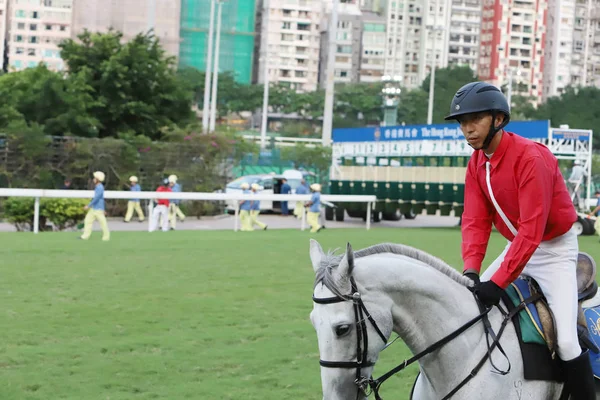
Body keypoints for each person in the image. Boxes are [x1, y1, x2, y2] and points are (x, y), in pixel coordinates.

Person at [444, 81, 595, 398]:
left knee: (567, 341)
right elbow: (475, 220)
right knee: (469, 311)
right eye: (462, 122)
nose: (467, 129)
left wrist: (497, 282)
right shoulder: (476, 163)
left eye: (475, 120)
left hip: (555, 252)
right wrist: (471, 270)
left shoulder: (531, 157)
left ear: (498, 119)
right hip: (519, 247)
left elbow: (532, 230)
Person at [80, 171, 110, 241]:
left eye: (94, 178)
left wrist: (88, 206)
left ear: (97, 179)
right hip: (95, 208)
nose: (93, 179)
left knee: (103, 223)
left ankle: (106, 237)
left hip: (98, 209)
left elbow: (96, 198)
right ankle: (85, 236)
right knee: (88, 221)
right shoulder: (98, 187)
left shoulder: (100, 187)